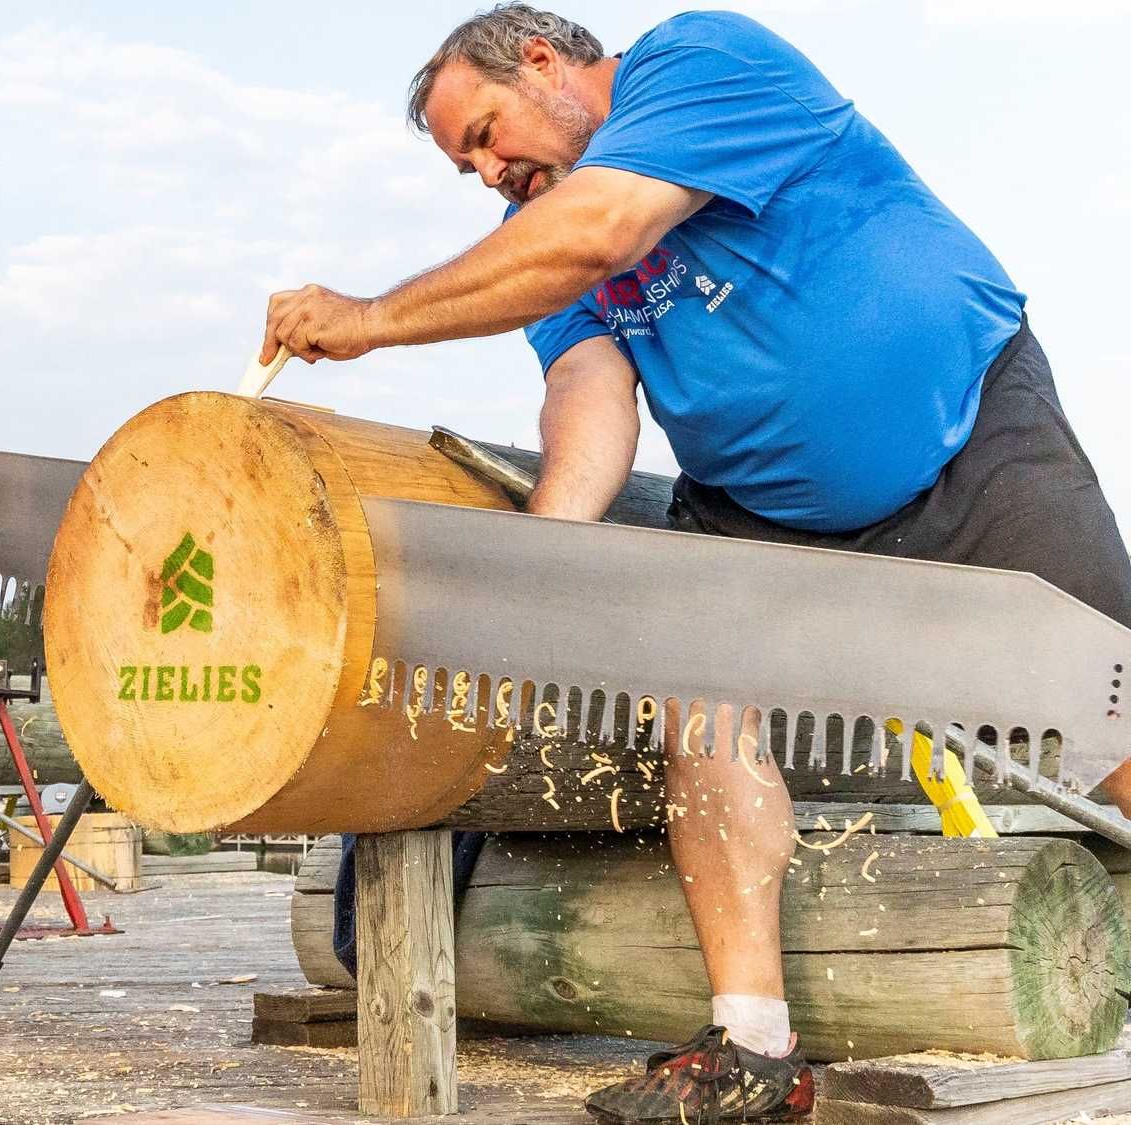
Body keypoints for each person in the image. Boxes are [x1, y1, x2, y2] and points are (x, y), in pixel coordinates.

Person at [257, 7, 1131, 1122]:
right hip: (755, 513)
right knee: (696, 709)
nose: (486, 173)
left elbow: (604, 229)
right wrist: (538, 561)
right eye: (465, 166)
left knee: (1110, 720)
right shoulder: (537, 238)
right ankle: (753, 1048)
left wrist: (372, 318)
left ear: (542, 62)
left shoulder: (700, 62)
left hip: (967, 443)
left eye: (483, 134)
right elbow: (587, 391)